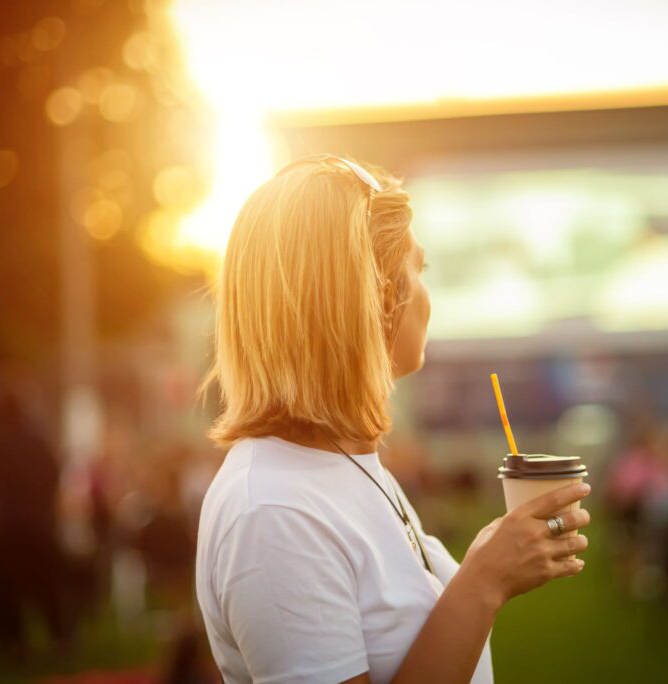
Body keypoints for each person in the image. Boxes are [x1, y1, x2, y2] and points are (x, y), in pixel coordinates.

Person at [196, 155, 591, 684]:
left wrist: (483, 562)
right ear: (372, 297)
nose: (427, 295)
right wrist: (484, 580)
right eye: (417, 268)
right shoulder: (273, 511)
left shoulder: (341, 462)